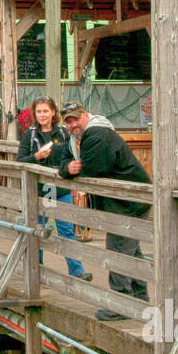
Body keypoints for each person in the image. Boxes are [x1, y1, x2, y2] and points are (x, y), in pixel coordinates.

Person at [59, 101, 151, 320]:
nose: (73, 125)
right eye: (68, 122)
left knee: (118, 251)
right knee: (131, 252)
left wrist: (73, 169)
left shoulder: (97, 134)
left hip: (128, 202)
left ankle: (121, 305)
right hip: (123, 202)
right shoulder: (77, 140)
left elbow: (93, 171)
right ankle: (139, 300)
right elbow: (62, 160)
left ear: (86, 115)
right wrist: (67, 168)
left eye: (76, 119)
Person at [17, 97, 89, 281]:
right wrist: (36, 156)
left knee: (66, 230)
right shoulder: (29, 135)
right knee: (38, 230)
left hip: (60, 188)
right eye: (39, 112)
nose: (42, 115)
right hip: (38, 190)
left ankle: (77, 270)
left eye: (45, 111)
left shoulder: (64, 133)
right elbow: (19, 162)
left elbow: (73, 156)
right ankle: (37, 269)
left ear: (53, 113)